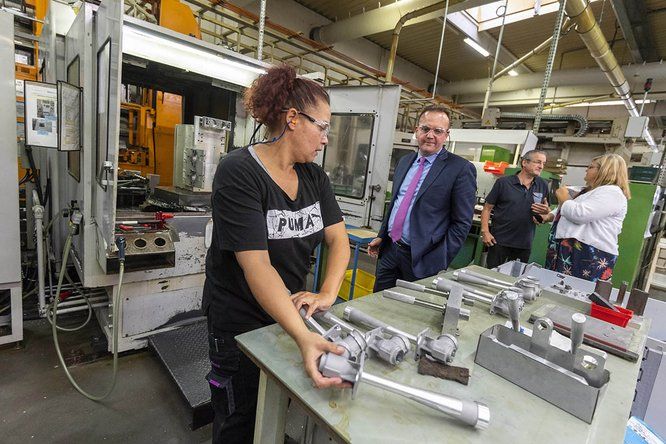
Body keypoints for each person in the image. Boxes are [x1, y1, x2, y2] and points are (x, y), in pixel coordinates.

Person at [202, 65, 351, 444]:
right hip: (240, 323)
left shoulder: (315, 178)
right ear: (292, 120)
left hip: (284, 317)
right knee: (239, 416)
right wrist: (303, 337)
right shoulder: (239, 172)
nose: (324, 140)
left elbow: (339, 241)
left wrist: (328, 293)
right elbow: (258, 268)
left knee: (270, 408)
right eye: (322, 127)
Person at [368, 105, 477, 292]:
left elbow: (461, 224)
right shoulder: (404, 161)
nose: (430, 135)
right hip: (390, 251)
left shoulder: (460, 169)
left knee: (412, 312)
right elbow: (397, 203)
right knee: (378, 303)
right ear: (416, 130)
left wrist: (438, 261)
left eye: (438, 131)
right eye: (425, 129)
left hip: (422, 260)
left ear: (446, 135)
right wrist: (382, 235)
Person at [537, 153, 630, 281]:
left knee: (575, 292)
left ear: (604, 171)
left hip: (587, 253)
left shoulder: (612, 193)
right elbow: (568, 208)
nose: (586, 169)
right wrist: (549, 216)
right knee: (556, 286)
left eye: (591, 167)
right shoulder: (588, 191)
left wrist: (563, 197)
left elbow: (579, 214)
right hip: (568, 249)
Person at [481, 150, 550, 269]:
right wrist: (485, 232)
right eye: (538, 162)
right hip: (499, 241)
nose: (541, 166)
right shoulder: (503, 183)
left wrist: (544, 215)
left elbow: (545, 214)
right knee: (492, 274)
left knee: (515, 279)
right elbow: (487, 208)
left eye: (543, 163)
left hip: (524, 244)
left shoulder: (542, 184)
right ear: (524, 162)